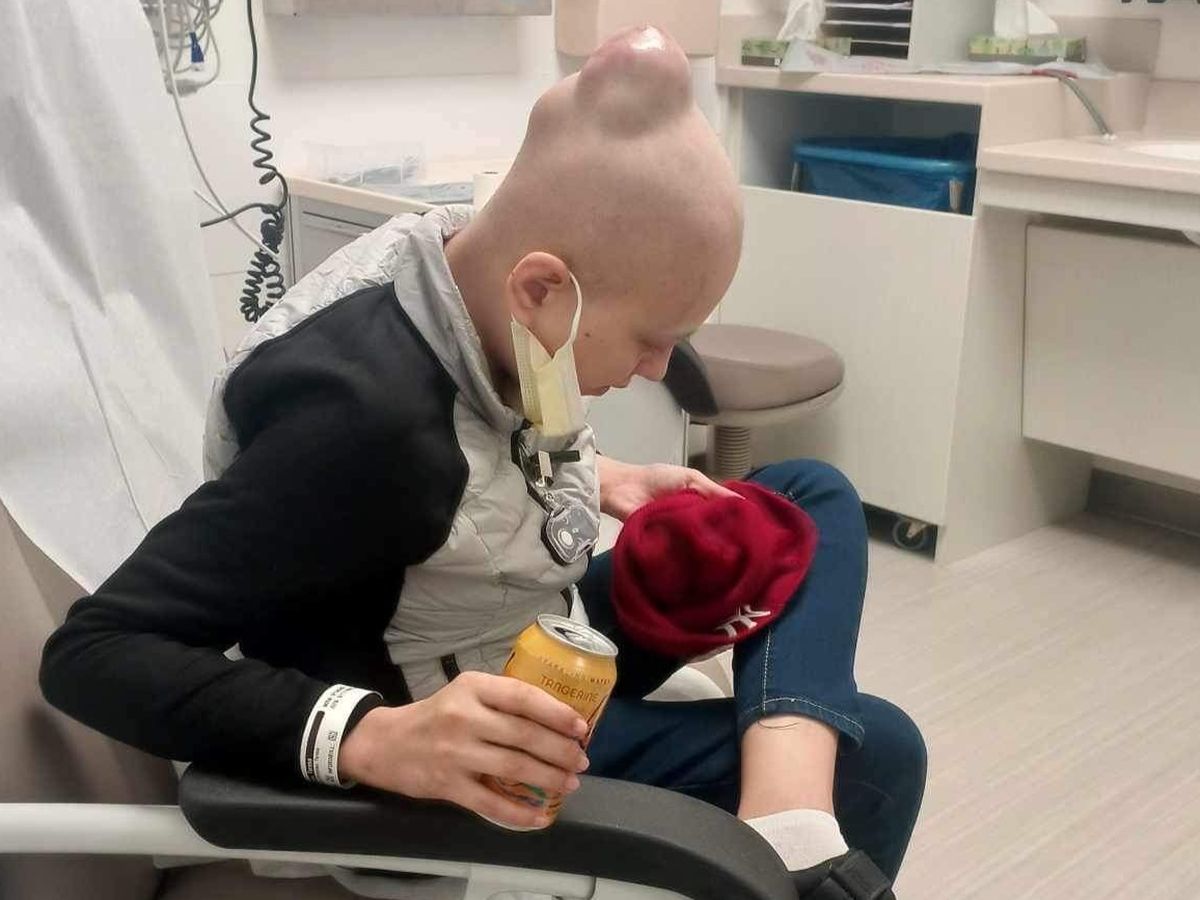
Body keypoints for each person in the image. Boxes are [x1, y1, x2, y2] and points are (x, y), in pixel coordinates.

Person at [40, 25, 924, 899]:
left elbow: (478, 440)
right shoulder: (360, 427)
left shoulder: (457, 264)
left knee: (803, 500)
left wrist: (603, 476)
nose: (659, 370)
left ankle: (783, 809)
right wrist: (375, 738)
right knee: (879, 752)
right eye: (651, 339)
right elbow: (94, 651)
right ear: (543, 289)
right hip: (475, 749)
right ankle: (793, 824)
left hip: (525, 630)